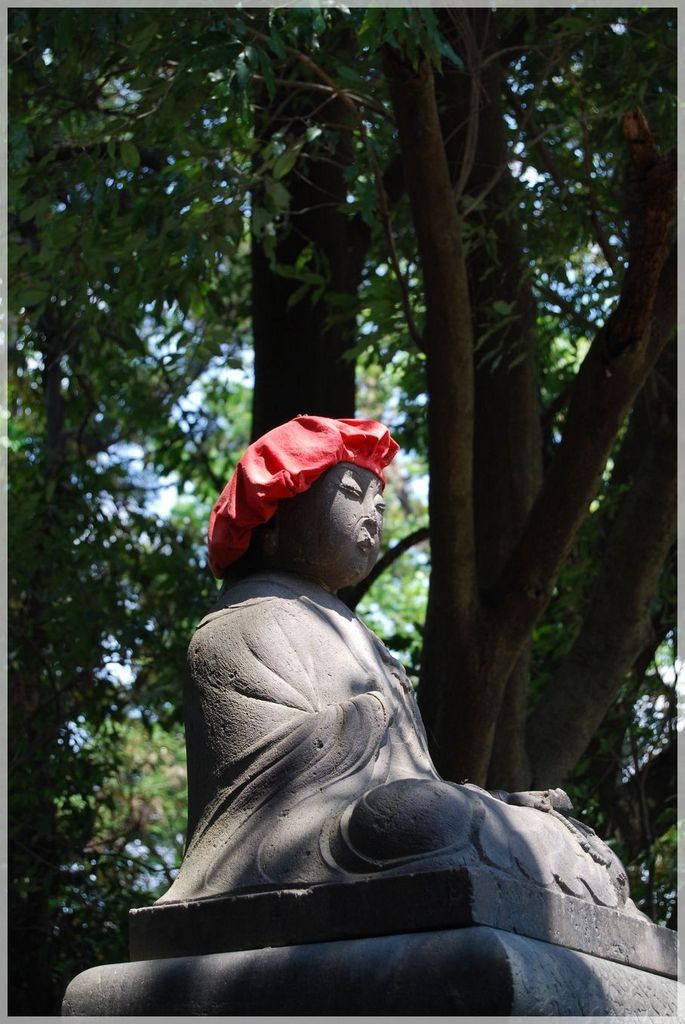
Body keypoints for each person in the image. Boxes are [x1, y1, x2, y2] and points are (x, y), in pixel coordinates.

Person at [157, 415, 638, 915]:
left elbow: (415, 778)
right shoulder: (241, 622)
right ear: (275, 517)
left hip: (390, 818)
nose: (372, 516)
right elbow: (261, 792)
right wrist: (367, 718)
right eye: (350, 494)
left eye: (379, 503)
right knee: (430, 817)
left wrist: (497, 801)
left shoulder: (358, 635)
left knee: (529, 820)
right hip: (292, 840)